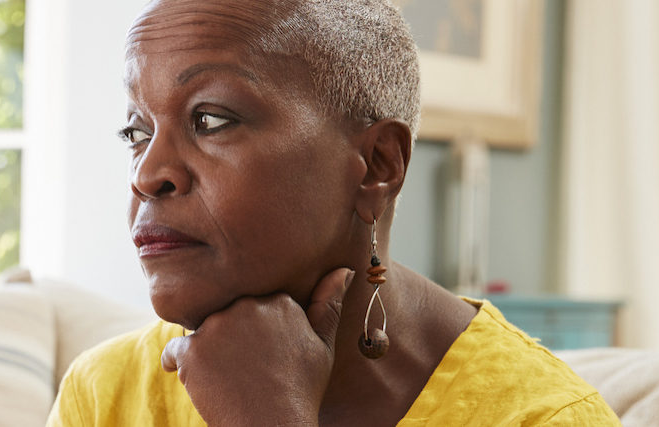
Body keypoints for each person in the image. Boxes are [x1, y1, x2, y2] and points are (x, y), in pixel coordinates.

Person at [45, 0, 621, 425]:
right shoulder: (106, 396)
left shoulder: (544, 419)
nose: (146, 174)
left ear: (376, 166)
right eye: (136, 131)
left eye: (211, 119)